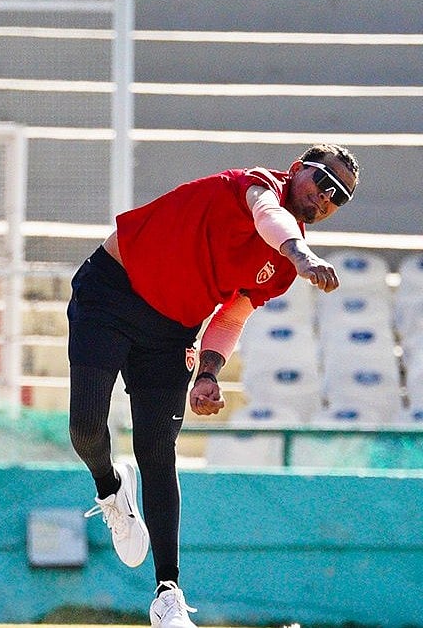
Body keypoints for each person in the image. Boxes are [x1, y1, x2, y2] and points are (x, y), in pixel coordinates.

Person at [66, 144, 359, 628]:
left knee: (158, 451)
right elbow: (269, 216)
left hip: (173, 332)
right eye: (323, 181)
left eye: (339, 198)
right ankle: (111, 487)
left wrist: (208, 372)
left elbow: (234, 313)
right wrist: (302, 254)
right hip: (111, 292)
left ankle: (168, 595)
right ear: (298, 169)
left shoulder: (283, 268)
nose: (326, 197)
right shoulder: (256, 186)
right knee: (85, 428)